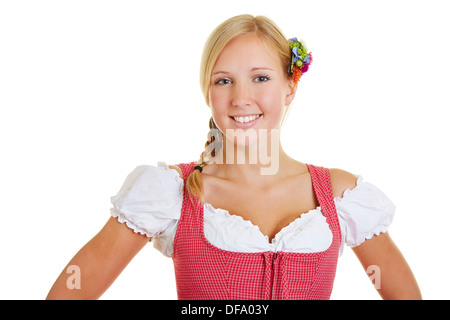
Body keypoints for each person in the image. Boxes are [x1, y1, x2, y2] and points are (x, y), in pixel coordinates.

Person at [46, 14, 421, 300]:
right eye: (223, 80)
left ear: (290, 87)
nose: (241, 98)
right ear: (207, 92)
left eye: (260, 78)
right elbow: (72, 289)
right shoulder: (171, 193)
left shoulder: (340, 196)